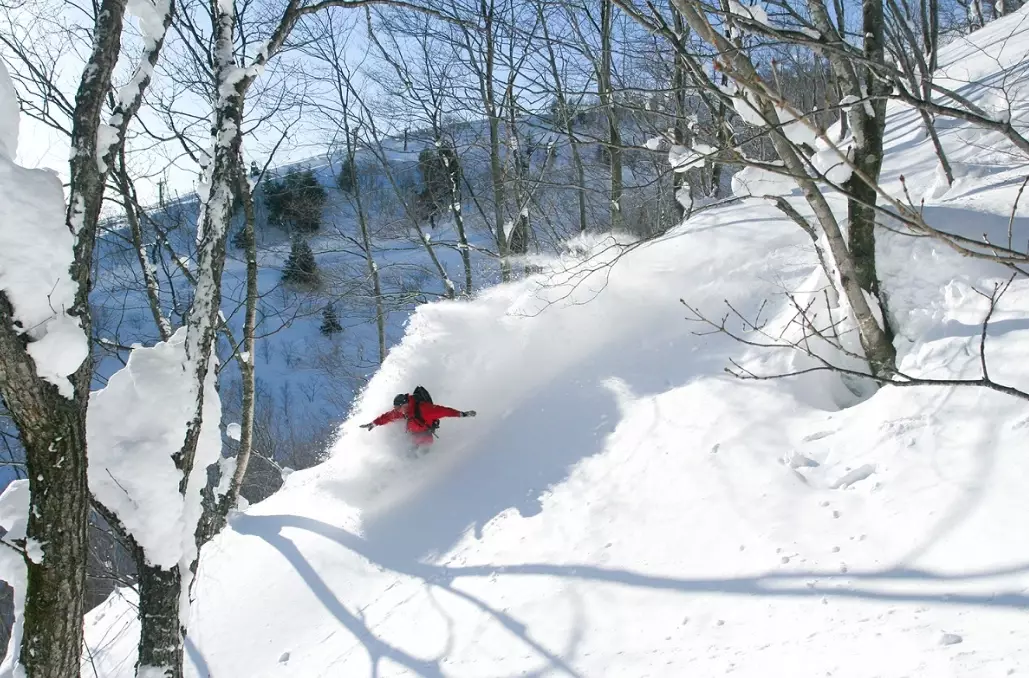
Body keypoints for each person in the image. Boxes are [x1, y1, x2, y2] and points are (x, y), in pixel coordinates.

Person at [361, 391, 476, 450]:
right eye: (396, 408)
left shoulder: (423, 409)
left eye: (398, 408)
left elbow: (444, 411)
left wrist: (462, 414)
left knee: (420, 456)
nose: (397, 411)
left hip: (425, 437)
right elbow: (387, 416)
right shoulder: (403, 412)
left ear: (405, 404)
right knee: (406, 456)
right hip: (411, 437)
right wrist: (374, 423)